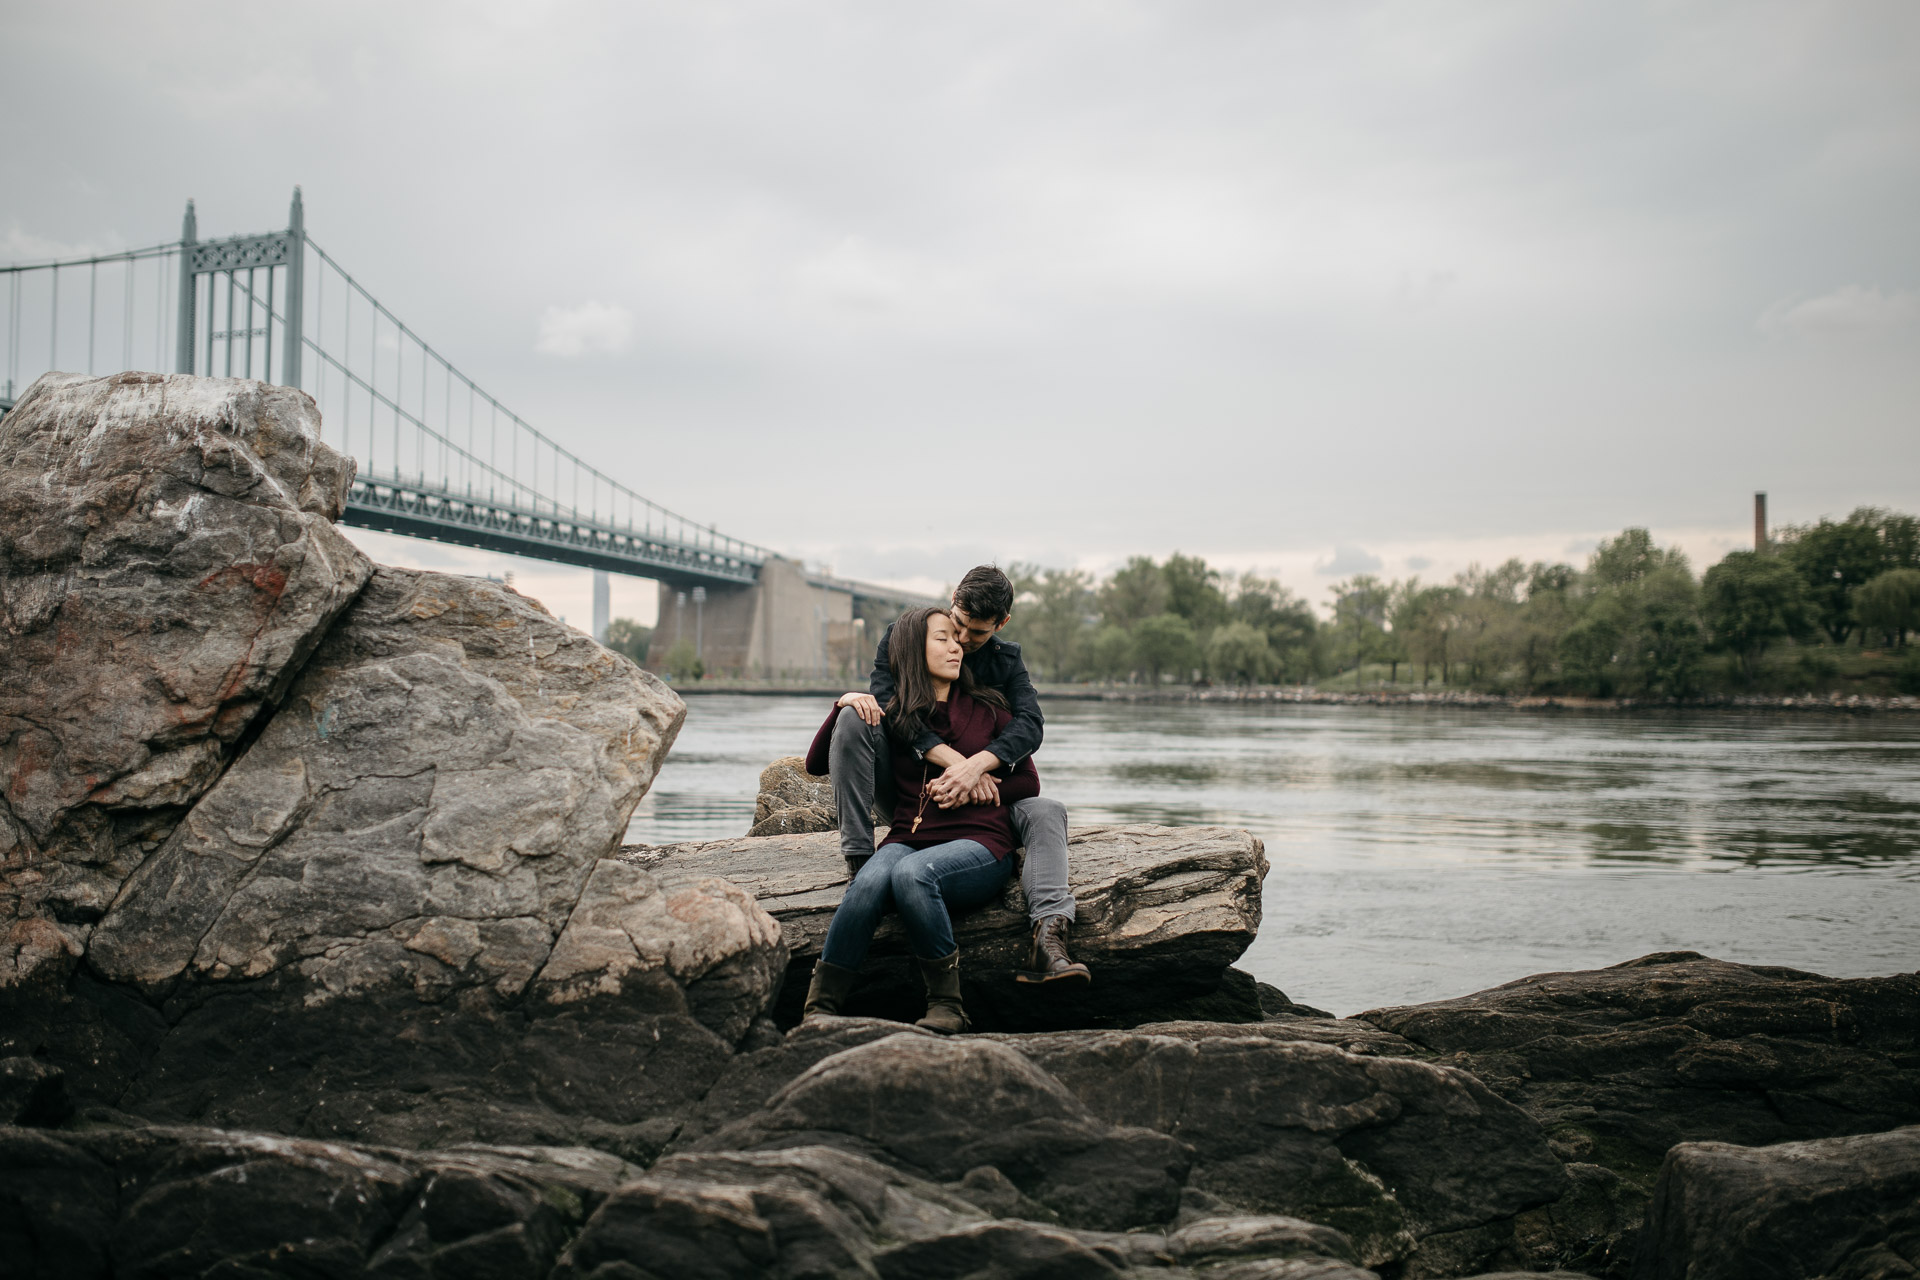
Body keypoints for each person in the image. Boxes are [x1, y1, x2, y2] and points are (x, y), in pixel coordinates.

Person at [826, 566, 1090, 985]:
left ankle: (1048, 938)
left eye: (977, 634)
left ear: (1001, 624)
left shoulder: (1004, 663)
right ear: (953, 599)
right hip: (912, 789)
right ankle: (860, 866)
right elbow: (891, 710)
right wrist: (958, 766)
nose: (963, 642)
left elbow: (1030, 725)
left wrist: (978, 769)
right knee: (855, 718)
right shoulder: (906, 636)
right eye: (957, 627)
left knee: (1045, 810)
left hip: (983, 800)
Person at [799, 606, 1039, 1032]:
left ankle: (948, 1005)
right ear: (913, 649)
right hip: (908, 835)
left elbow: (1030, 782)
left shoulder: (990, 709)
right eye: (943, 638)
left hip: (980, 841)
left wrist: (983, 781)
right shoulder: (898, 716)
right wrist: (845, 704)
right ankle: (820, 1007)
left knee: (913, 874)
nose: (957, 646)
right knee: (869, 880)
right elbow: (818, 763)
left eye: (958, 639)